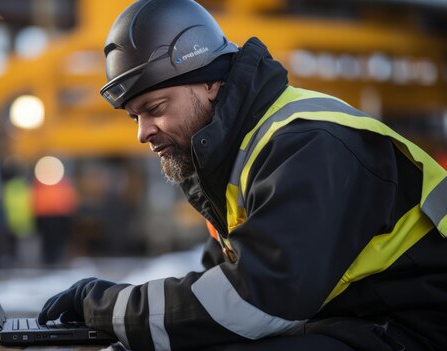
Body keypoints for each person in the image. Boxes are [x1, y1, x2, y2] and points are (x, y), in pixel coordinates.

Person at [38, 1, 447, 350]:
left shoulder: (305, 144)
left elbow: (259, 299)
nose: (142, 131)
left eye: (155, 108)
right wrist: (115, 309)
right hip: (367, 318)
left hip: (421, 327)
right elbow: (223, 289)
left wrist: (106, 307)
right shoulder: (240, 155)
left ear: (210, 82)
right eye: (135, 116)